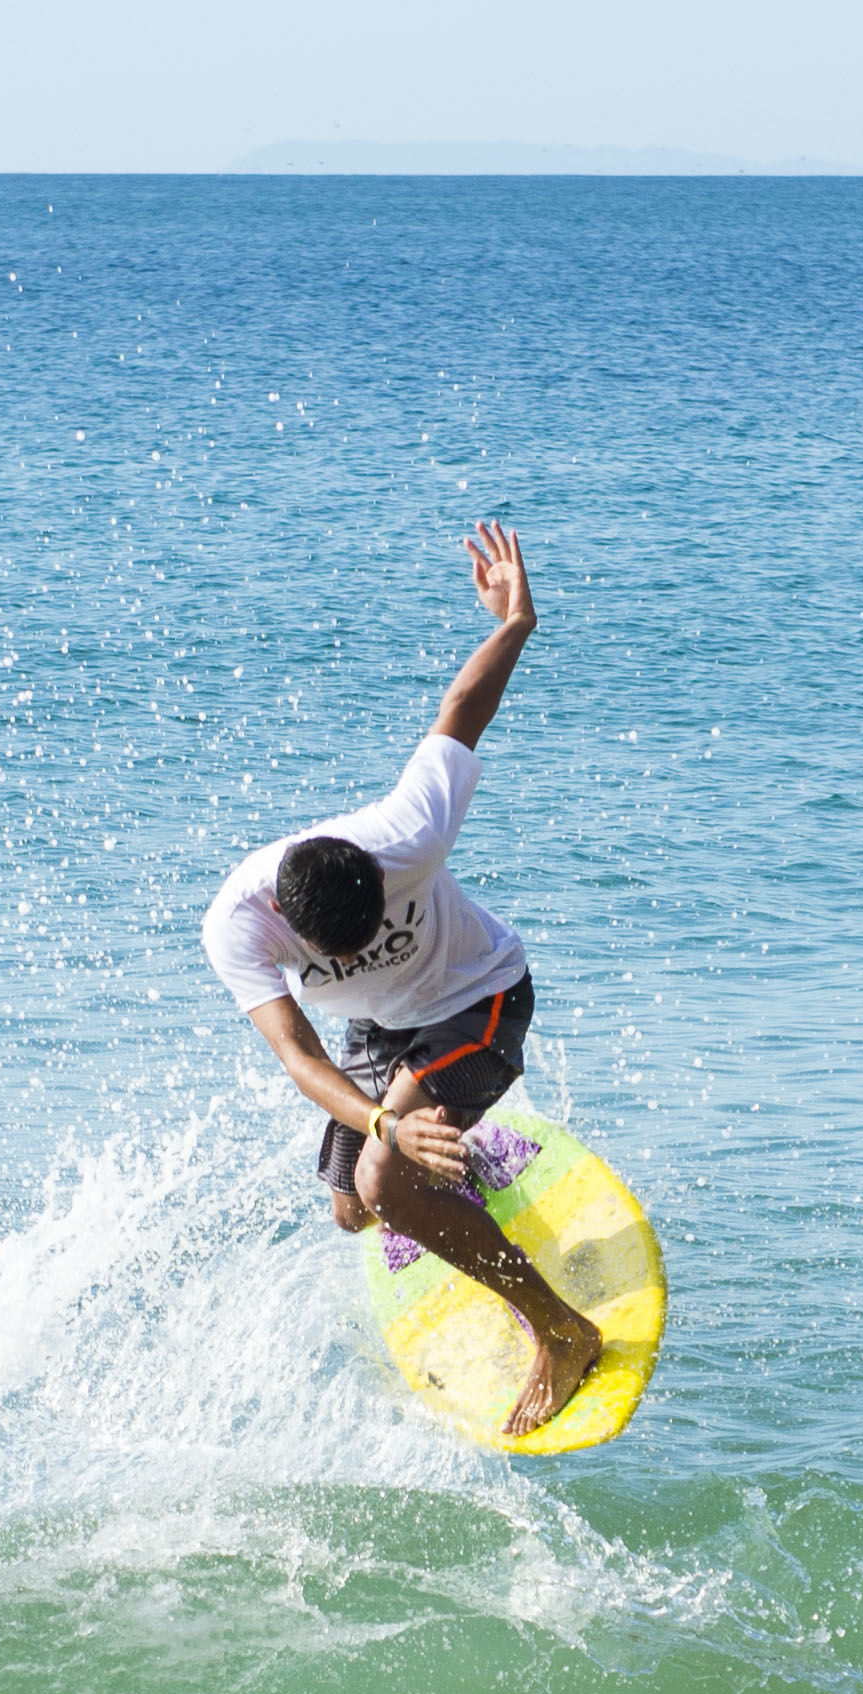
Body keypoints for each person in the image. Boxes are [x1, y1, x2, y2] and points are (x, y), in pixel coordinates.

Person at [203, 517, 604, 1442]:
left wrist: (515, 624)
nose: (351, 961)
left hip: (480, 997)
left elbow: (462, 710)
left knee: (387, 1181)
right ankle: (466, 1170)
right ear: (287, 921)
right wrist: (384, 1118)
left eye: (369, 938)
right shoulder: (236, 927)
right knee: (353, 1209)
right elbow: (298, 1055)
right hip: (381, 1035)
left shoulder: (408, 830)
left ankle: (561, 1330)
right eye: (334, 958)